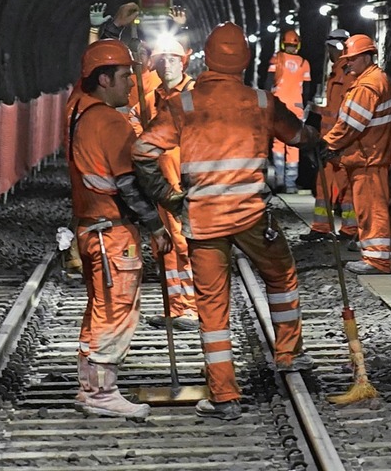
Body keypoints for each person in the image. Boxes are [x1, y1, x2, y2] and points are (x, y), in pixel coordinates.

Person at [133, 22, 318, 421]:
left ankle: (225, 396)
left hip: (203, 220)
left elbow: (142, 149)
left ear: (208, 56)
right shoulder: (261, 101)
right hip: (252, 216)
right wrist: (324, 140)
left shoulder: (184, 104)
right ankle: (287, 354)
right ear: (246, 59)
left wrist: (166, 195)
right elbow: (299, 135)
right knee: (281, 276)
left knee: (212, 308)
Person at [68, 40, 172, 417]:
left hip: (88, 229)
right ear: (105, 78)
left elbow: (79, 80)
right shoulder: (109, 122)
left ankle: (88, 387)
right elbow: (129, 184)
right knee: (116, 311)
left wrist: (111, 31)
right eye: (126, 75)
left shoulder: (77, 109)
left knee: (99, 309)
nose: (132, 83)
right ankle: (102, 394)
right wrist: (157, 226)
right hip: (113, 233)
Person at [131, 36, 199, 332]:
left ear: (184, 61)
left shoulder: (197, 95)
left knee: (189, 248)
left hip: (189, 186)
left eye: (172, 59)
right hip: (160, 186)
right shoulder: (151, 101)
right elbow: (133, 122)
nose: (166, 65)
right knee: (166, 247)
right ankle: (176, 308)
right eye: (161, 60)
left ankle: (194, 309)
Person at [319, 34, 391, 275]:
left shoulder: (367, 85)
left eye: (353, 60)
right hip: (370, 156)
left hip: (369, 157)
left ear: (367, 57)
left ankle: (377, 260)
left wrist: (329, 144)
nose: (348, 64)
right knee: (368, 208)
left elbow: (350, 124)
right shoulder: (376, 80)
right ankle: (373, 254)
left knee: (372, 209)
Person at [301, 28, 360, 245]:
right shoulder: (336, 72)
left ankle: (350, 229)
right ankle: (321, 227)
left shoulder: (349, 75)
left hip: (343, 141)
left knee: (345, 186)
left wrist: (339, 140)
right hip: (329, 139)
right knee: (324, 184)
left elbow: (347, 112)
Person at [266, 29, 311, 192]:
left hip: (279, 106)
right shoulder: (303, 63)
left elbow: (268, 82)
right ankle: (291, 183)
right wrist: (303, 105)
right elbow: (307, 89)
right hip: (296, 107)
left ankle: (279, 179)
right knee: (294, 144)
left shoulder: (277, 59)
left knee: (278, 143)